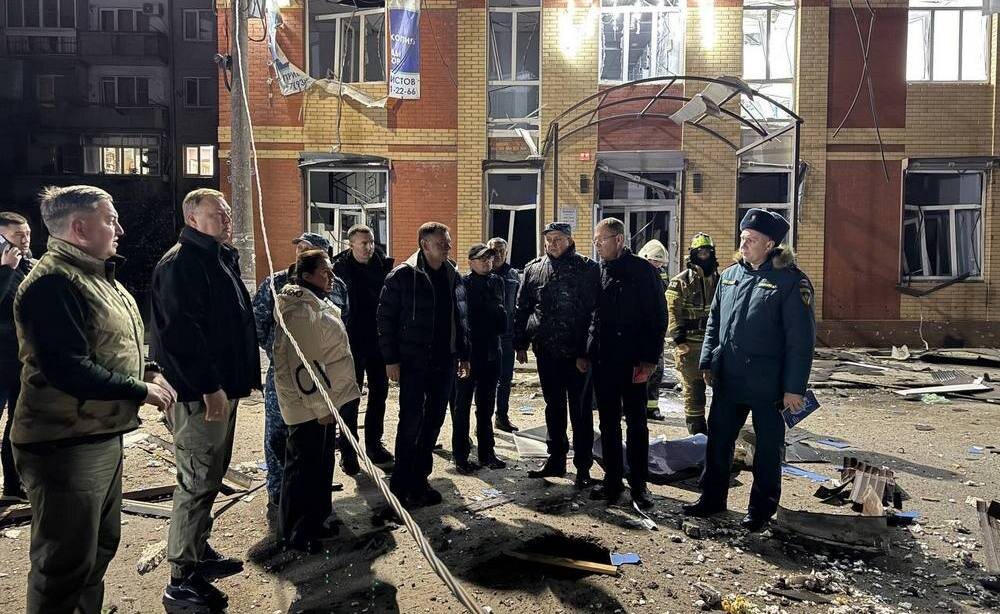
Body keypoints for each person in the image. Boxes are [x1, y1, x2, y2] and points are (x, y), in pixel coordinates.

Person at [11, 185, 175, 614]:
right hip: (64, 443)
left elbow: (110, 345)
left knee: (99, 547)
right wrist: (140, 390)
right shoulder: (53, 284)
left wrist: (148, 370)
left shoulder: (95, 277)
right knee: (64, 563)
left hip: (96, 433)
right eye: (110, 220)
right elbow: (67, 369)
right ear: (80, 228)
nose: (120, 229)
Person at [151, 188, 261, 611]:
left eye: (228, 212)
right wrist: (210, 388)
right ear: (192, 219)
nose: (227, 219)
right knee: (197, 482)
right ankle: (181, 579)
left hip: (220, 390)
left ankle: (198, 550)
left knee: (210, 476)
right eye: (218, 214)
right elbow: (181, 335)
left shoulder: (216, 257)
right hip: (200, 395)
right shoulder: (181, 263)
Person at [683, 208, 815, 533]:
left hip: (768, 384)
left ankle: (760, 510)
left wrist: (794, 388)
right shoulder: (730, 276)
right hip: (729, 379)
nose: (743, 244)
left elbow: (801, 340)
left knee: (767, 449)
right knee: (718, 441)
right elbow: (714, 322)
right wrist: (707, 361)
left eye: (751, 240)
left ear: (770, 245)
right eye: (742, 238)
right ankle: (712, 499)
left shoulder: (790, 281)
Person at [253, 232, 349, 519]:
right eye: (299, 248)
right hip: (286, 374)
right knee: (279, 435)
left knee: (318, 440)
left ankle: (313, 498)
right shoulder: (275, 284)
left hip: (322, 376)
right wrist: (282, 353)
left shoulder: (337, 287)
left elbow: (342, 322)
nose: (300, 253)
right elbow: (258, 324)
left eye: (308, 249)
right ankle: (280, 492)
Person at [272, 249, 360, 553]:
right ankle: (296, 531)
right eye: (325, 272)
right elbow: (304, 365)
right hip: (307, 405)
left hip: (323, 400)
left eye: (331, 270)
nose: (331, 276)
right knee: (303, 468)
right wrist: (322, 407)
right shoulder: (300, 310)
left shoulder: (316, 302)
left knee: (321, 463)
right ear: (306, 275)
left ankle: (317, 518)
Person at [377, 222, 469, 508]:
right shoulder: (403, 276)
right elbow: (385, 320)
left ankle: (420, 480)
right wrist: (390, 360)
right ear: (424, 245)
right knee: (410, 422)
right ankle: (400, 484)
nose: (448, 247)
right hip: (413, 362)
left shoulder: (453, 274)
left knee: (433, 422)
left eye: (448, 242)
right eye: (442, 243)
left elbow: (460, 318)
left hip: (445, 360)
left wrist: (463, 354)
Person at [513, 222, 600, 488]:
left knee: (580, 411)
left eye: (558, 239)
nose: (553, 244)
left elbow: (595, 312)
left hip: (577, 355)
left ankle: (583, 466)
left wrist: (586, 352)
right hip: (547, 351)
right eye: (549, 239)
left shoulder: (587, 268)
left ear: (570, 240)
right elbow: (523, 307)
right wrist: (520, 342)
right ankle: (556, 459)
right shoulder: (533, 268)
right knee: (554, 408)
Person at [589, 218, 668, 508]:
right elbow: (591, 315)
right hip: (604, 360)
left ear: (619, 240)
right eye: (596, 241)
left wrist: (649, 360)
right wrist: (587, 351)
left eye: (602, 240)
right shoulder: (598, 271)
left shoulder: (643, 271)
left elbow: (658, 317)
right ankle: (612, 481)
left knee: (636, 423)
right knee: (608, 423)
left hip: (634, 362)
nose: (597, 246)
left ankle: (639, 484)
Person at [331, 224, 394, 474]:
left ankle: (374, 446)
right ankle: (348, 452)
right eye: (363, 243)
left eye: (371, 242)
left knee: (379, 395)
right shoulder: (338, 270)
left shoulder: (384, 267)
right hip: (350, 344)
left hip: (378, 343)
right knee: (350, 399)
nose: (369, 247)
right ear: (351, 245)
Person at [451, 243, 508, 474]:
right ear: (471, 262)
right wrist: (461, 354)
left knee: (486, 407)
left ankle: (487, 453)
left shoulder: (497, 282)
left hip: (492, 351)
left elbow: (502, 317)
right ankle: (461, 456)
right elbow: (459, 321)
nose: (487, 262)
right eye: (482, 259)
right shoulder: (462, 284)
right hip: (469, 354)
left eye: (490, 258)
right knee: (462, 407)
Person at [666, 233, 720, 435]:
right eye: (700, 252)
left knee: (722, 389)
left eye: (708, 252)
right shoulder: (680, 281)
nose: (704, 255)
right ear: (693, 254)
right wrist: (679, 340)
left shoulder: (720, 280)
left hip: (714, 344)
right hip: (690, 344)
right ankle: (697, 433)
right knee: (694, 391)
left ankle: (719, 431)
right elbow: (672, 311)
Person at [0, 212, 34, 501]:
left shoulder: (29, 263)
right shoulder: (8, 266)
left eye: (27, 234)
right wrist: (6, 269)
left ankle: (13, 485)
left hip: (21, 360)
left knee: (18, 423)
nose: (24, 240)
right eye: (17, 235)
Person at [487, 236, 520, 433]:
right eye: (494, 250)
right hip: (487, 338)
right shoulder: (483, 273)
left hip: (507, 337)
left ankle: (502, 417)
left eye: (501, 250)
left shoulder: (513, 275)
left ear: (506, 253)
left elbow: (519, 305)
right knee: (486, 381)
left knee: (505, 379)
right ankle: (484, 420)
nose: (498, 254)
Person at [636, 239, 670, 422]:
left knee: (657, 370)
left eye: (659, 263)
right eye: (654, 262)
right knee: (635, 371)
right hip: (637, 332)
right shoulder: (635, 273)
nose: (657, 265)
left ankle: (651, 406)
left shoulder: (661, 276)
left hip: (655, 331)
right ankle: (632, 406)